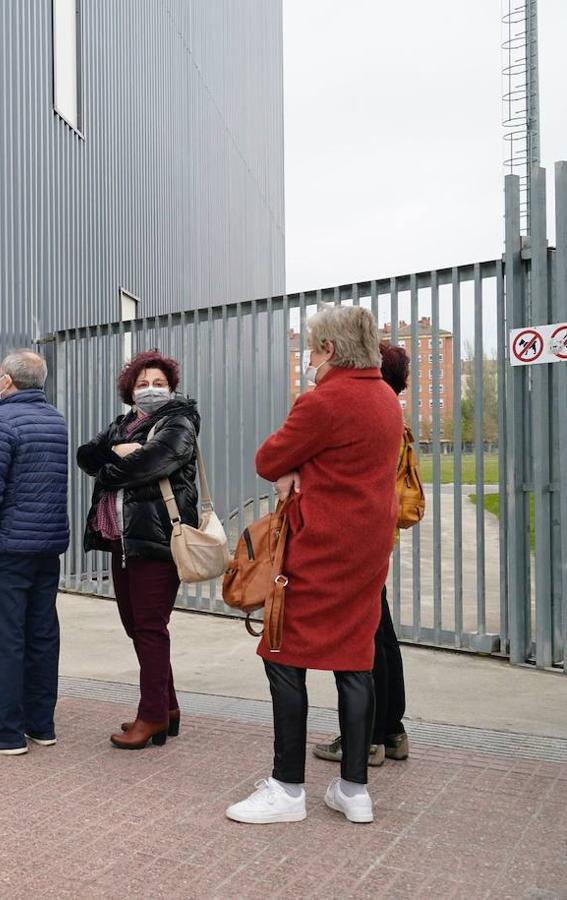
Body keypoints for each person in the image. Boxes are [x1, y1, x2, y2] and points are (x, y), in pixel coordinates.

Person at [226, 305, 402, 826]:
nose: (306, 355)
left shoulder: (322, 401)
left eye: (311, 345)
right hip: (367, 549)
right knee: (355, 659)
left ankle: (287, 788)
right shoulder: (386, 399)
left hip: (320, 547)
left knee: (281, 653)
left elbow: (266, 459)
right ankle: (354, 789)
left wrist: (292, 468)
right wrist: (303, 466)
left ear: (327, 349)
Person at [76, 349, 201, 750]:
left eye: (158, 383)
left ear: (172, 388)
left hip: (157, 540)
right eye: (143, 384)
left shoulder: (179, 422)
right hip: (121, 539)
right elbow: (85, 456)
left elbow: (151, 464)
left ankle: (151, 717)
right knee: (137, 627)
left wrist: (119, 462)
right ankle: (168, 707)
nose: (150, 389)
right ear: (130, 390)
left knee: (149, 628)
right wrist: (121, 453)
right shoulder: (125, 423)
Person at [0, 351, 70, 755]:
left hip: (4, 551)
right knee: (41, 636)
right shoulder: (56, 420)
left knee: (3, 640)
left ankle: (4, 732)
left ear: (6, 381)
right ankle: (41, 724)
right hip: (45, 549)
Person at [314, 341, 413, 768]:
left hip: (359, 539)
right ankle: (392, 730)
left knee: (364, 639)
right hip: (379, 535)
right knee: (382, 633)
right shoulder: (393, 414)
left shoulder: (370, 413)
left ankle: (367, 737)